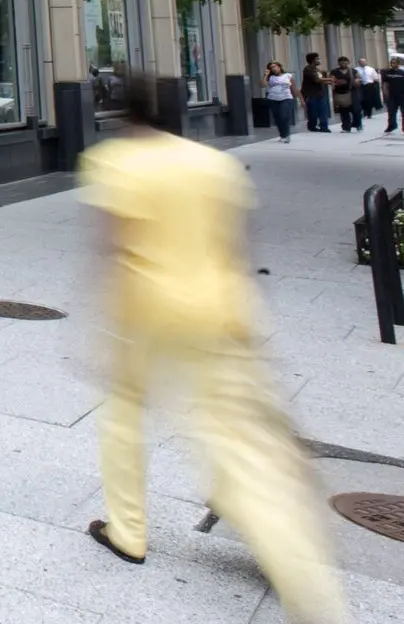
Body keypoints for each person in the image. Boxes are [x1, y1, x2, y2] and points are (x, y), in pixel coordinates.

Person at [78, 76, 346, 623]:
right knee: (238, 436)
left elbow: (112, 246)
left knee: (123, 415)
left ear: (118, 112)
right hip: (222, 307)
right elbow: (235, 245)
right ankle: (298, 569)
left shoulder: (115, 163)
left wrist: (98, 327)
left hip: (150, 310)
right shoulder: (212, 165)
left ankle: (127, 529)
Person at [261, 61, 296, 143]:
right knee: (278, 118)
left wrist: (296, 98)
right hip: (273, 99)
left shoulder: (288, 75)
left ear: (279, 67)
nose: (274, 68)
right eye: (271, 67)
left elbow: (294, 88)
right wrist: (266, 75)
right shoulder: (270, 77)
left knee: (284, 117)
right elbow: (263, 85)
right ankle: (282, 135)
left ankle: (286, 135)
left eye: (275, 66)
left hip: (286, 98)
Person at [299, 53, 330, 133]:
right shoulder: (308, 69)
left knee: (323, 110)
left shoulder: (317, 69)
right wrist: (330, 79)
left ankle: (324, 127)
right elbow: (316, 80)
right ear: (313, 60)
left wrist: (328, 82)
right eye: (318, 59)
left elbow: (321, 80)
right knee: (313, 112)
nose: (320, 60)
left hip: (320, 93)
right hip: (311, 94)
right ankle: (312, 126)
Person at [330, 56, 360, 133]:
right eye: (341, 61)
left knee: (356, 109)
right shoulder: (334, 71)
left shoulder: (353, 71)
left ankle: (357, 124)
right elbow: (332, 80)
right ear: (338, 63)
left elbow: (359, 78)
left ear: (348, 62)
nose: (343, 63)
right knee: (343, 111)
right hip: (341, 93)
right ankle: (346, 127)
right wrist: (336, 82)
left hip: (352, 92)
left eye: (345, 61)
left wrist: (357, 81)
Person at [383, 55, 404, 134]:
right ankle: (392, 126)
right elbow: (385, 83)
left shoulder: (402, 72)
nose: (393, 64)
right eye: (391, 63)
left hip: (402, 95)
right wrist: (385, 93)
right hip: (391, 95)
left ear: (398, 64)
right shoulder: (387, 73)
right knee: (391, 112)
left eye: (394, 63)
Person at [357, 57, 381, 122]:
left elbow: (376, 77)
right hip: (361, 85)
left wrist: (375, 81)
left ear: (366, 62)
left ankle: (369, 114)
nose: (362, 63)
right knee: (362, 99)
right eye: (361, 61)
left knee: (369, 100)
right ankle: (364, 112)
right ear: (359, 63)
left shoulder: (371, 69)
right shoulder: (356, 69)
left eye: (364, 61)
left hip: (369, 85)